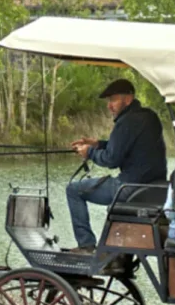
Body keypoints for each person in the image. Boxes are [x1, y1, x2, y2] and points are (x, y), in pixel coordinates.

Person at [67, 78, 167, 252]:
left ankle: (86, 245)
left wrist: (88, 152)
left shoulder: (126, 122)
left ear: (127, 99)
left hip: (129, 188)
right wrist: (98, 144)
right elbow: (127, 148)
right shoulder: (149, 116)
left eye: (113, 100)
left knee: (74, 190)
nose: (109, 105)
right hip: (153, 188)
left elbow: (111, 160)